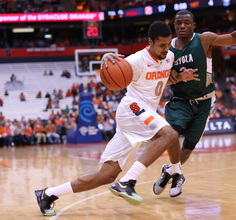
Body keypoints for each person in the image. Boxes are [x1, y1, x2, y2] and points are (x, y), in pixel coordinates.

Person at [34, 21, 199, 216]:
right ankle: (129, 182)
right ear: (150, 42)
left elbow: (165, 79)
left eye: (167, 44)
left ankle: (48, 194)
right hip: (132, 108)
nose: (166, 48)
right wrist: (105, 56)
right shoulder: (137, 59)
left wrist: (181, 77)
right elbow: (112, 67)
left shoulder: (169, 56)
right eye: (161, 45)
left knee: (106, 175)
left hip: (140, 117)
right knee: (170, 134)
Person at [153, 7, 236, 195]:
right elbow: (159, 76)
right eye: (178, 23)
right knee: (171, 134)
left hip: (204, 102)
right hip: (179, 101)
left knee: (186, 150)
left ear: (194, 25)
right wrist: (176, 77)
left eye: (187, 22)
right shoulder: (167, 48)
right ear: (174, 26)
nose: (182, 25)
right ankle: (177, 174)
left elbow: (234, 38)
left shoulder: (204, 39)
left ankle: (170, 171)